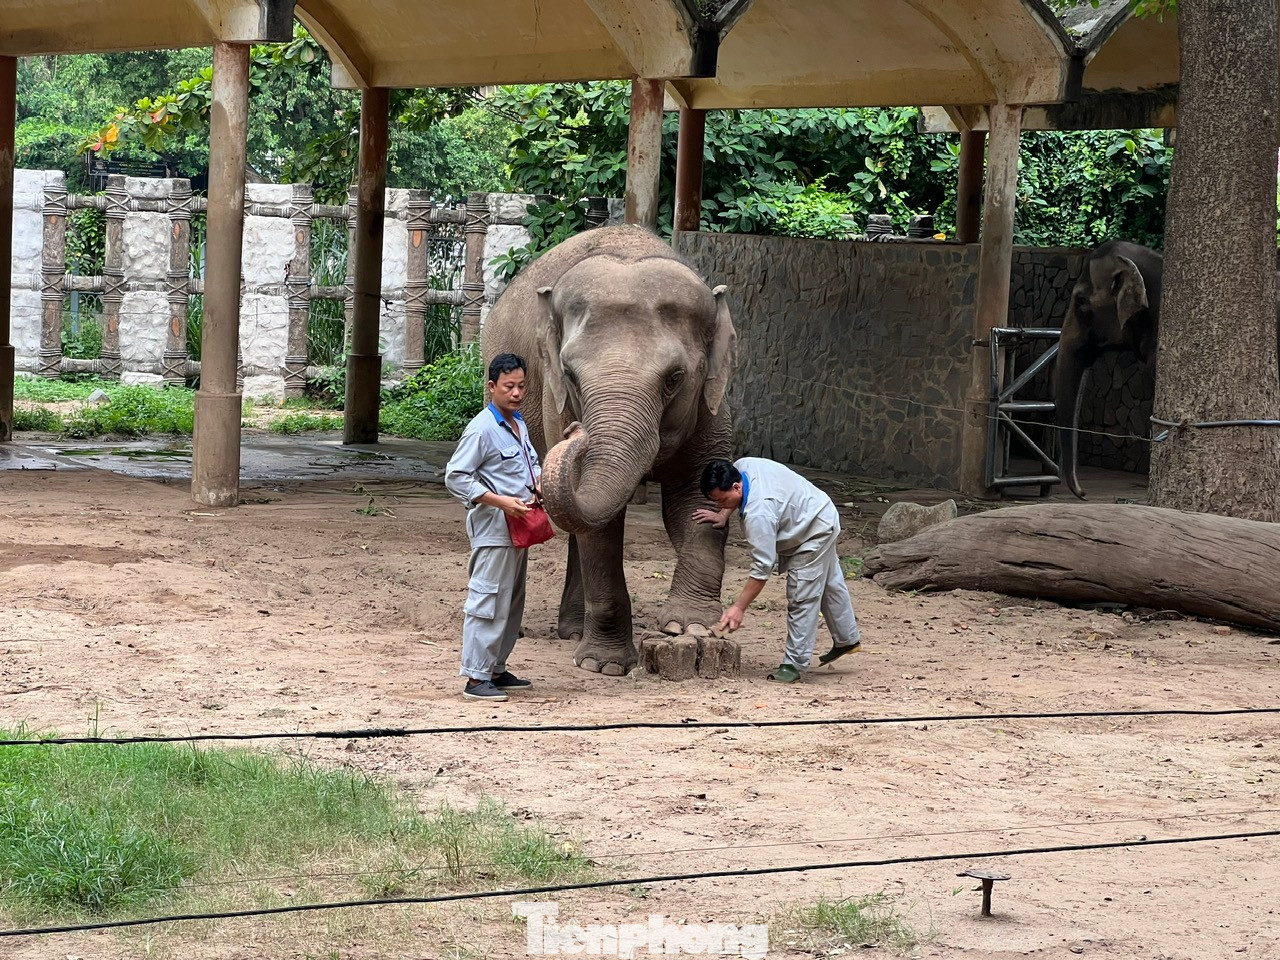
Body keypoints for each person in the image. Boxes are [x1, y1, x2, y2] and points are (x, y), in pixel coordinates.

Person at [694, 457, 861, 683]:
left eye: (722, 501)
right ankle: (847, 639)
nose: (721, 505)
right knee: (830, 584)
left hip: (813, 531)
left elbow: (762, 568)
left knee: (802, 595)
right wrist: (723, 515)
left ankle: (793, 665)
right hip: (818, 509)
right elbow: (733, 498)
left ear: (736, 487)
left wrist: (738, 608)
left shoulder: (758, 513)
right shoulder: (742, 466)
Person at [445, 353, 543, 702]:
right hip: (494, 528)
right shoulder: (481, 428)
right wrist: (502, 502)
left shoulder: (519, 423)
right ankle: (475, 678)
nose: (516, 393)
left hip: (520, 526)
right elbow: (456, 476)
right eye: (509, 387)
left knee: (511, 601)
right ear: (492, 387)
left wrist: (542, 485)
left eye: (521, 386)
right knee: (487, 599)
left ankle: (496, 669)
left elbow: (530, 465)